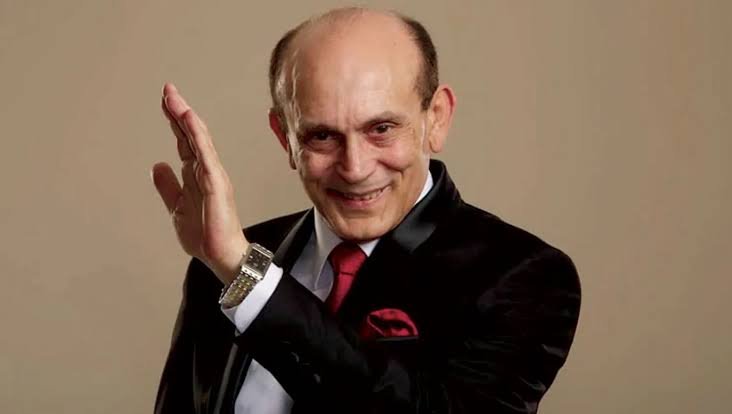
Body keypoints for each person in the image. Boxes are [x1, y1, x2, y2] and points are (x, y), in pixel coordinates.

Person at [151, 7, 581, 414]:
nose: (355, 169)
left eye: (381, 128)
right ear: (285, 138)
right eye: (322, 136)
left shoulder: (524, 275)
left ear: (436, 118)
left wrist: (249, 278)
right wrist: (233, 266)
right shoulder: (223, 263)